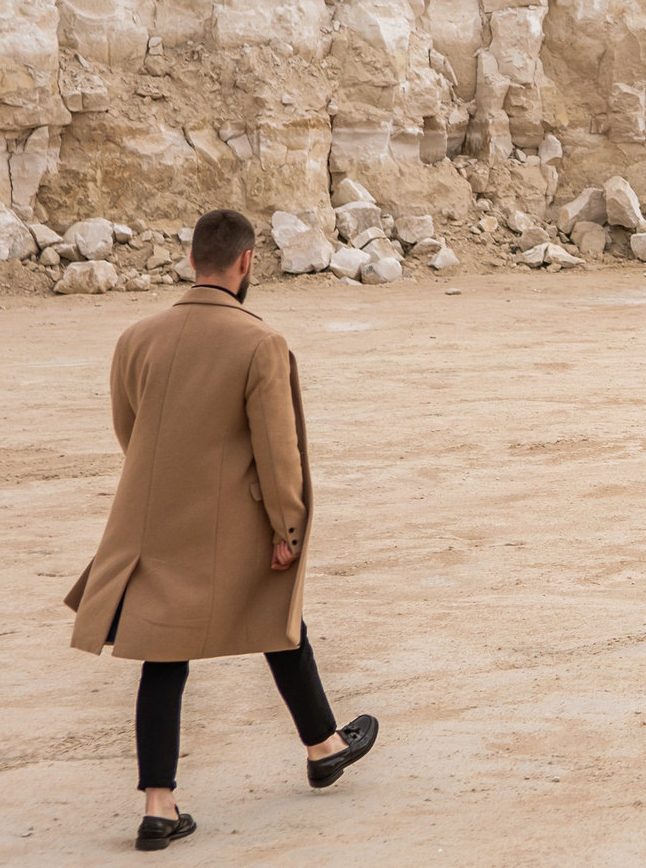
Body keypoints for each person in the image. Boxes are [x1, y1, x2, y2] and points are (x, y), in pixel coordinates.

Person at [64, 208, 379, 851]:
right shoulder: (259, 342)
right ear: (245, 263)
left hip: (151, 522)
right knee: (277, 615)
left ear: (191, 261)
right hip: (229, 521)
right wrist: (286, 526)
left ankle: (160, 805)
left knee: (162, 657)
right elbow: (276, 448)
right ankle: (321, 746)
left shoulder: (136, 337)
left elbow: (132, 433)